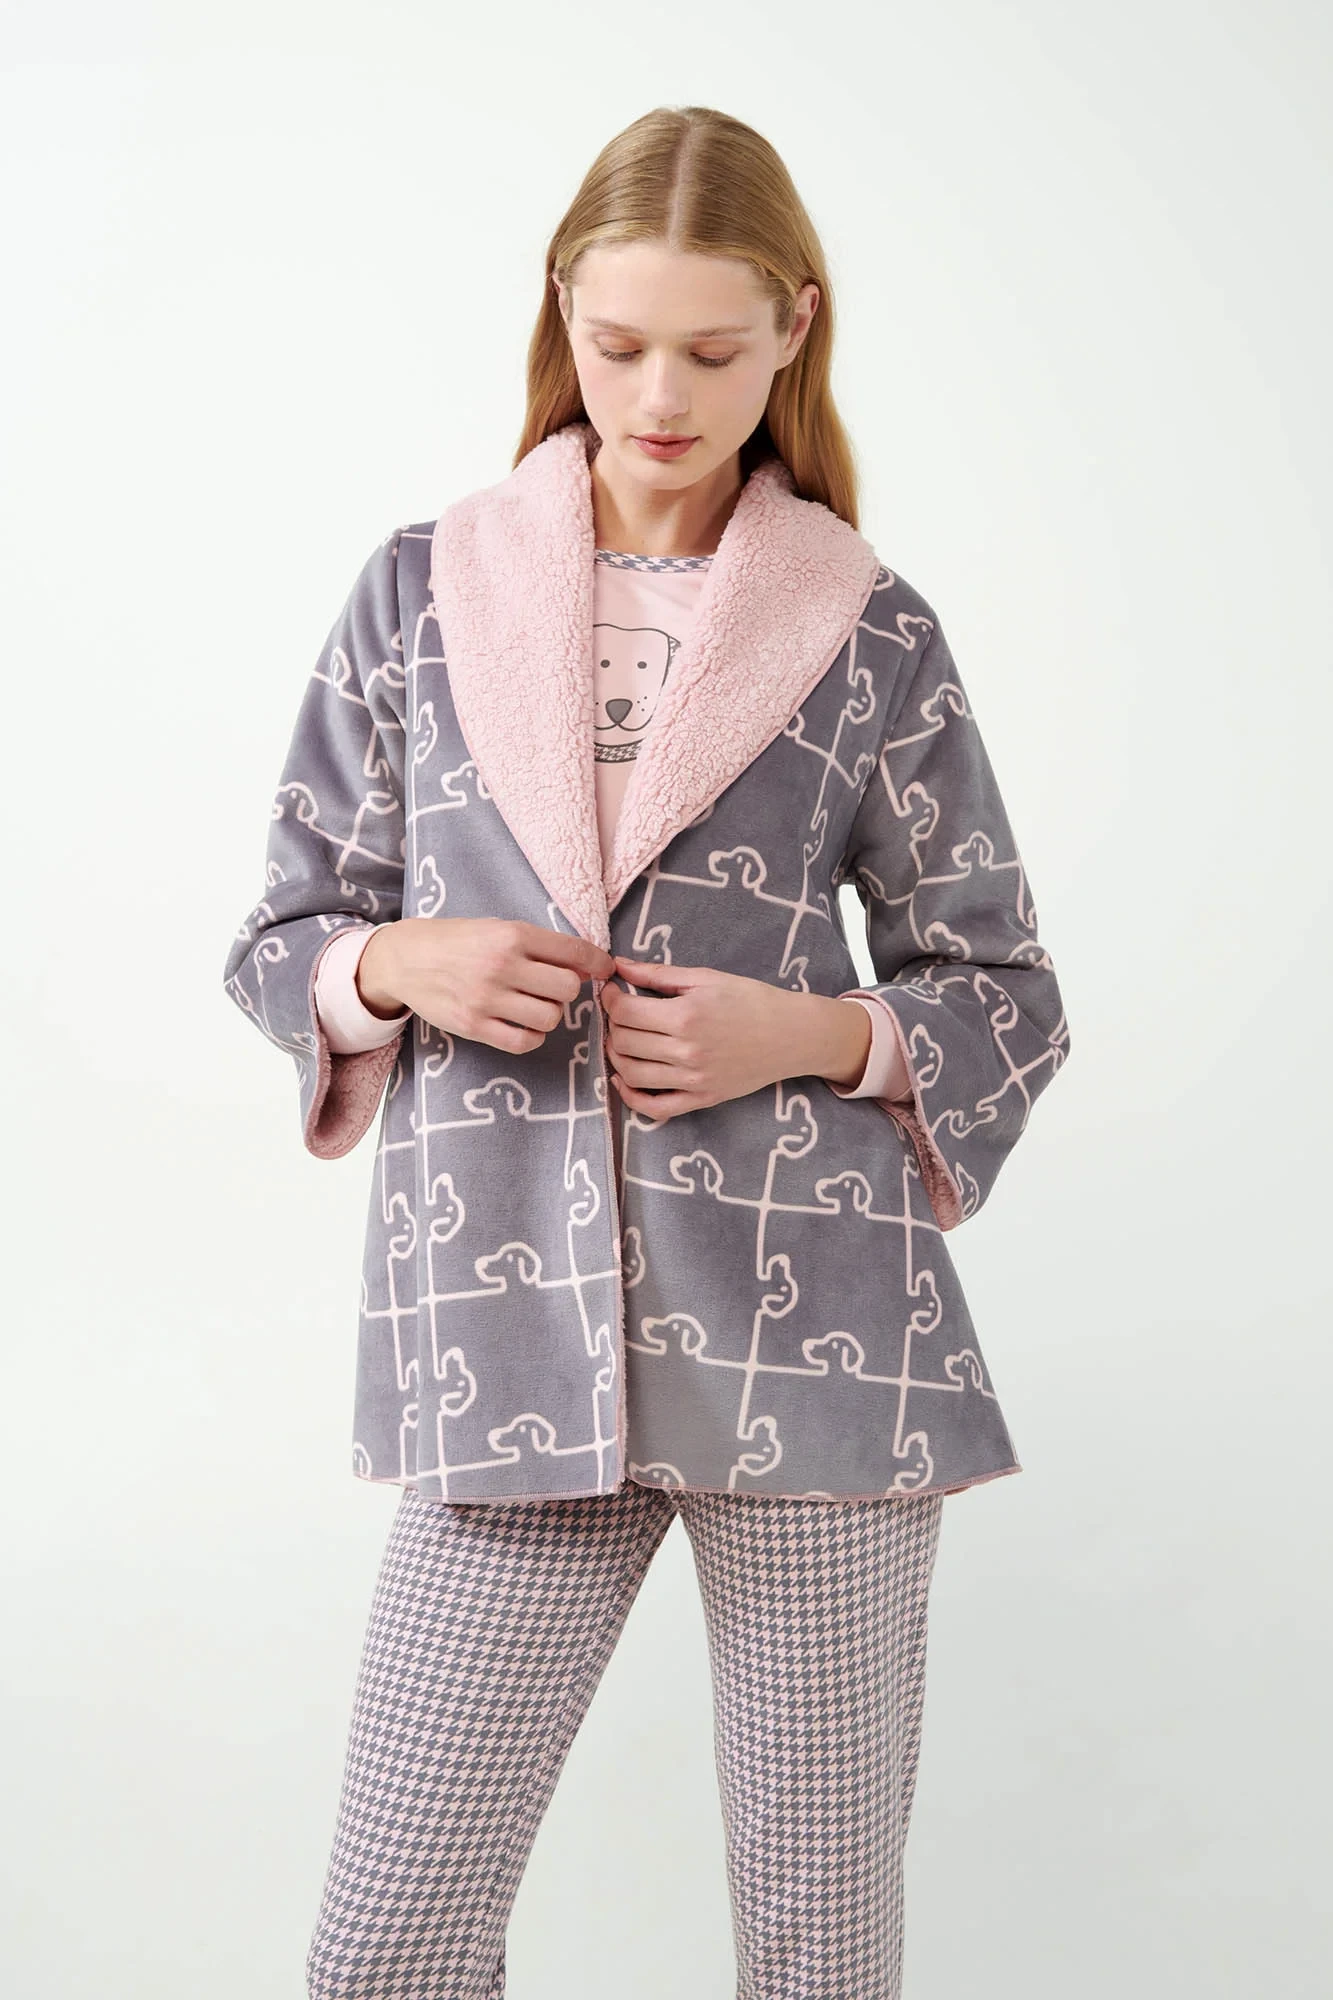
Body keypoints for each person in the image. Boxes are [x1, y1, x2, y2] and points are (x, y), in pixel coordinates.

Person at [222, 102, 1069, 2000]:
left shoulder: (870, 630)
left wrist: (813, 1031)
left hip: (816, 1343)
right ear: (560, 314)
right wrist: (400, 964)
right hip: (510, 1342)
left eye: (709, 348)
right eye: (617, 346)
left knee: (818, 1951)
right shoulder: (422, 591)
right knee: (388, 1938)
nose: (661, 396)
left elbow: (1005, 986)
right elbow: (280, 939)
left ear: (794, 327)